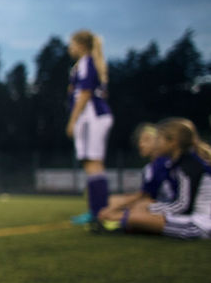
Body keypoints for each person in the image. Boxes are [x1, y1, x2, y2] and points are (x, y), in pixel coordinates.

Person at [105, 118, 211, 239]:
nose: (156, 144)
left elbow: (183, 205)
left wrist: (150, 208)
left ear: (173, 142)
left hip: (199, 224)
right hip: (190, 218)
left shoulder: (188, 166)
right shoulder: (178, 164)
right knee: (136, 215)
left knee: (134, 217)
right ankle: (128, 224)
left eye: (159, 139)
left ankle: (124, 223)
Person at [65, 29, 113, 227]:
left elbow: (85, 93)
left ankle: (98, 212)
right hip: (98, 116)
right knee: (95, 164)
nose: (70, 48)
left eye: (72, 44)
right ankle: (98, 210)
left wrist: (73, 120)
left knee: (91, 163)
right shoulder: (91, 62)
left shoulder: (85, 62)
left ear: (81, 45)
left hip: (90, 118)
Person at [97, 123, 173, 221]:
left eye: (147, 140)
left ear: (160, 141)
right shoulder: (150, 167)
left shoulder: (163, 163)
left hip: (168, 205)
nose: (141, 144)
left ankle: (115, 219)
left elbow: (146, 196)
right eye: (140, 141)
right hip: (159, 203)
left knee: (136, 205)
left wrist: (115, 207)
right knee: (113, 200)